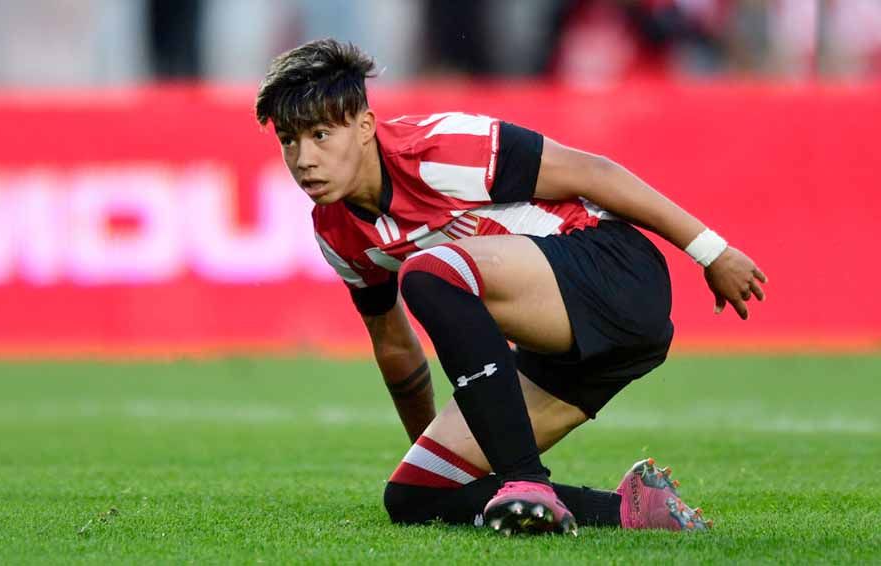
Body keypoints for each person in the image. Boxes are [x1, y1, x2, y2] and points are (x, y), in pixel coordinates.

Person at [254, 39, 766, 536]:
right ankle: (635, 510)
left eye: (321, 135)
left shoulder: (439, 146)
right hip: (572, 349)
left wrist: (710, 250)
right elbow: (393, 346)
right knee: (416, 496)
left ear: (365, 127)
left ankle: (526, 482)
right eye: (289, 141)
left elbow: (592, 171)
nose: (304, 159)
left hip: (613, 272)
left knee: (430, 274)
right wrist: (435, 449)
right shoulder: (335, 231)